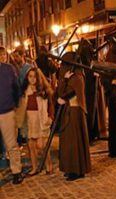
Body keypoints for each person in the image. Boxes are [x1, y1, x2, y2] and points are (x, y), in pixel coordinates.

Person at [57, 52, 91, 180]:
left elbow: (62, 93)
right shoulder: (77, 76)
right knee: (71, 142)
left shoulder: (76, 78)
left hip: (74, 112)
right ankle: (73, 168)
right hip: (72, 111)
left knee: (73, 143)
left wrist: (64, 79)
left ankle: (76, 170)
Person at [16, 67, 54, 175]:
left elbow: (51, 105)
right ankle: (35, 167)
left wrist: (51, 117)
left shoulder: (43, 90)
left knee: (42, 145)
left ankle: (48, 165)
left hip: (40, 118)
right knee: (31, 145)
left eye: (34, 77)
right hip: (29, 118)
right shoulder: (25, 90)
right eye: (30, 76)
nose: (32, 79)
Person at [0, 47, 23, 184]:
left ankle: (16, 171)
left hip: (7, 111)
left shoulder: (8, 69)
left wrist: (14, 103)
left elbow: (16, 87)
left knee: (11, 144)